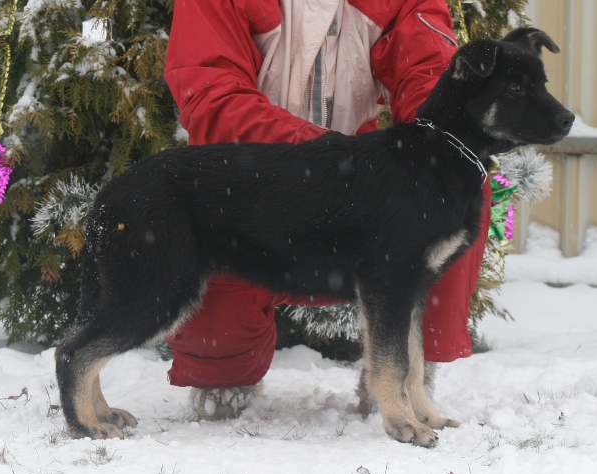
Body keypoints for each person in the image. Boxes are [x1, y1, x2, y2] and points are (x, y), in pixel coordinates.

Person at [162, 0, 492, 419]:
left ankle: (406, 373)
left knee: (450, 192)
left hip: (361, 209)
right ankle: (224, 374)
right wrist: (318, 154)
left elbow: (429, 76)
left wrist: (442, 148)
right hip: (256, 196)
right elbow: (212, 96)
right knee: (207, 243)